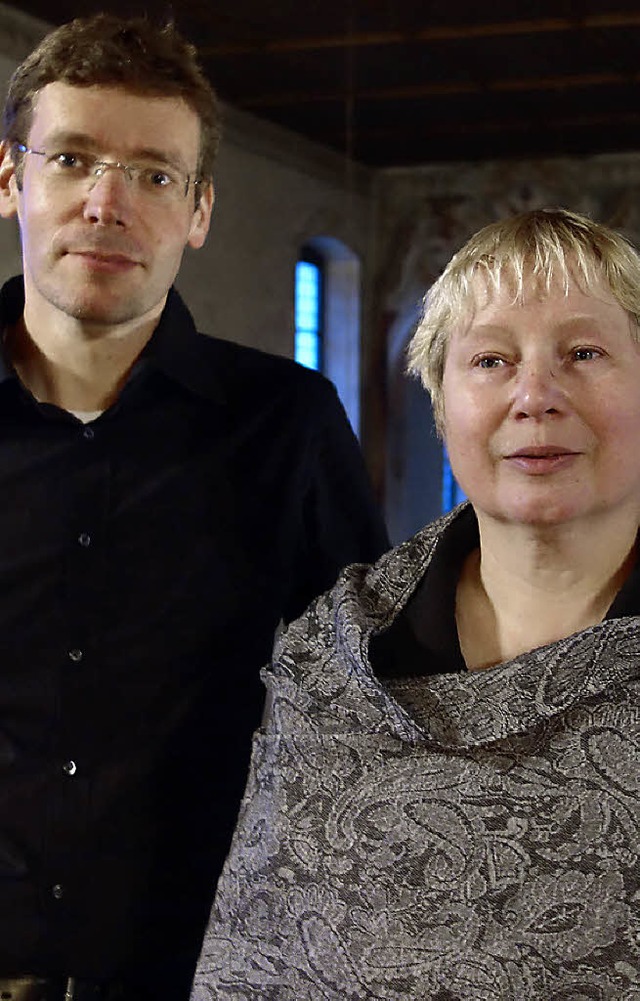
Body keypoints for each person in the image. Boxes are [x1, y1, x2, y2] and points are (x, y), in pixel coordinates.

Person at [0, 13, 389, 1001]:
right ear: (12, 179)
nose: (105, 202)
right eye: (73, 158)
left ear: (199, 210)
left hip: (195, 971)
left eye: (153, 173)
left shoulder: (286, 423)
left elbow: (368, 697)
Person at [192, 208, 640, 1000]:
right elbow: (257, 956)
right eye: (491, 360)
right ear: (443, 402)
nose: (535, 394)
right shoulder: (332, 661)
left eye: (584, 352)